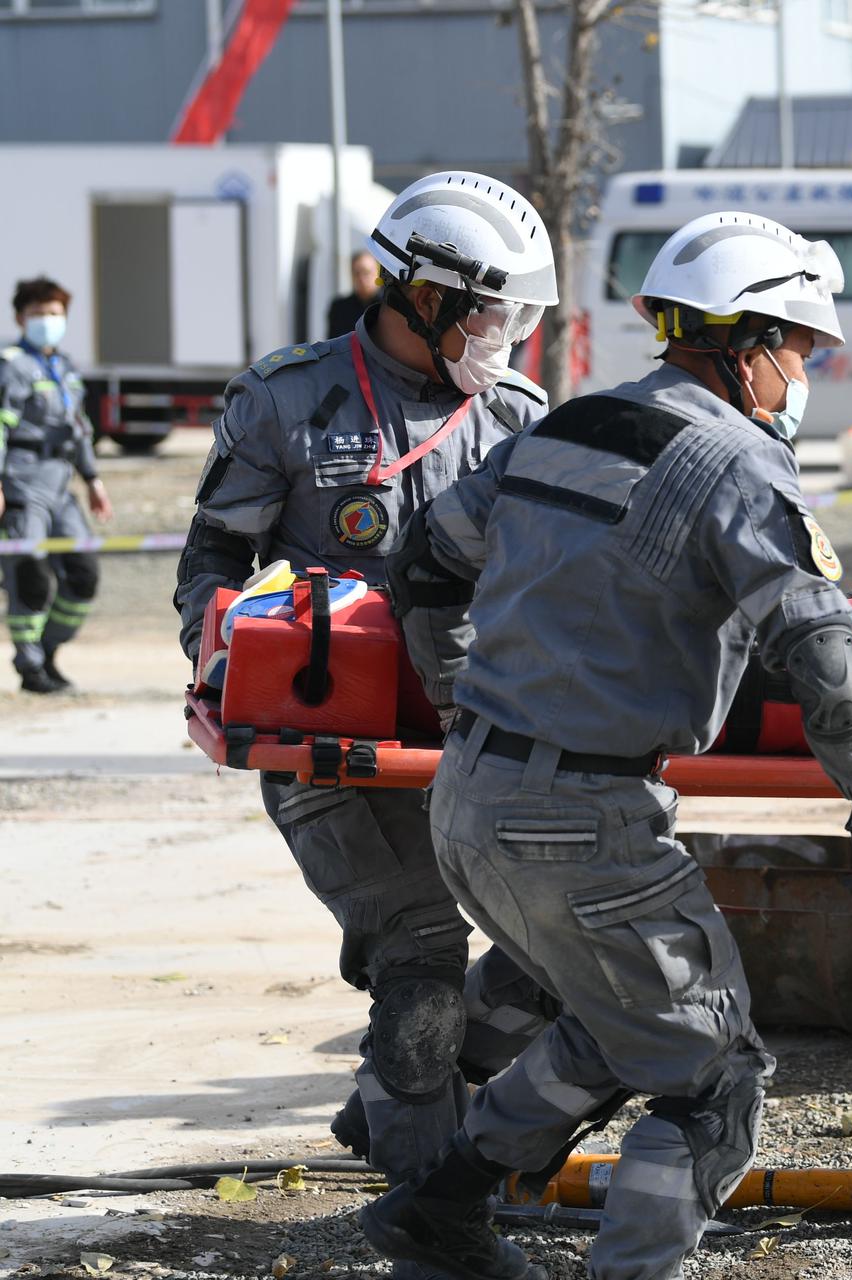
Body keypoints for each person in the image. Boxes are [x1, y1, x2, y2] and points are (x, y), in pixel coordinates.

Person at [360, 211, 852, 1280]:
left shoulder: (570, 424)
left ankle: (438, 1207)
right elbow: (820, 644)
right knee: (714, 1079)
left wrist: (458, 697)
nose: (805, 373)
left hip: (472, 798)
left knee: (620, 1019)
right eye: (799, 347)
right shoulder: (737, 462)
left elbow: (429, 554)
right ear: (743, 342)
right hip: (582, 819)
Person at [170, 172, 562, 1249]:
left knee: (552, 947)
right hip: (327, 741)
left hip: (473, 732)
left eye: (517, 314)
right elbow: (214, 555)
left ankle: (397, 1090)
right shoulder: (290, 399)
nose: (505, 335)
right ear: (421, 297)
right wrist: (220, 645)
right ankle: (433, 1222)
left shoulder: (519, 417)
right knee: (421, 949)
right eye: (490, 311)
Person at [3, 277, 110, 694]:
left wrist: (93, 479)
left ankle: (48, 651)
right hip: (19, 483)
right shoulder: (11, 366)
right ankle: (29, 666)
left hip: (60, 484)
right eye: (37, 314)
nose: (47, 321)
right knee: (29, 575)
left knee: (84, 574)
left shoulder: (65, 368)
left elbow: (79, 431)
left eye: (54, 313)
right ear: (20, 318)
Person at [328, 250, 381, 339]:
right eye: (357, 273)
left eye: (366, 272)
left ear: (377, 273)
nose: (361, 278)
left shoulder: (388, 305)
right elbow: (333, 343)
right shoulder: (340, 307)